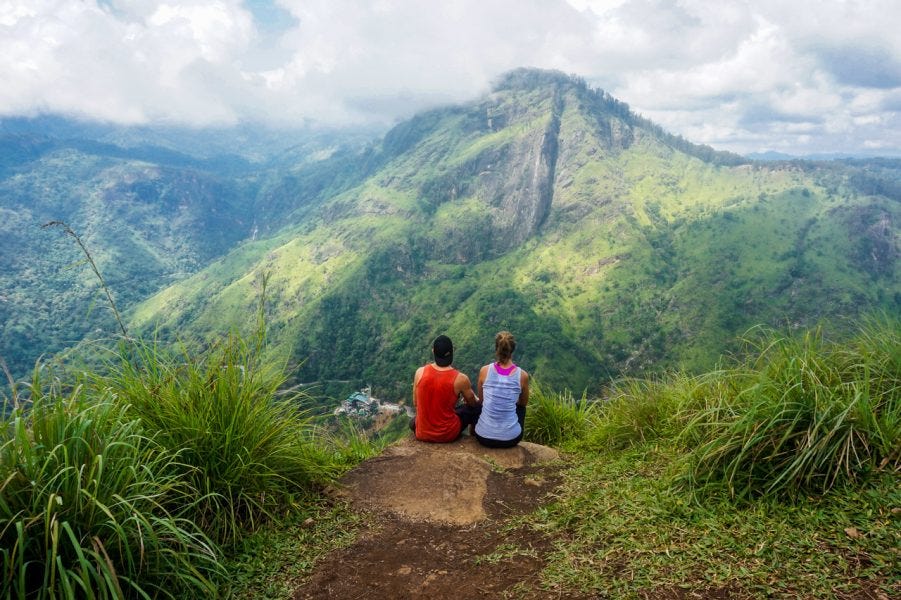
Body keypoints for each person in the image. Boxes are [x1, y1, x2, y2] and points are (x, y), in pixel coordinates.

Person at [410, 335, 481, 443]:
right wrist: (473, 398)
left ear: (433, 351)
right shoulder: (460, 378)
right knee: (476, 408)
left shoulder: (420, 372)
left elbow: (416, 403)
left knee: (412, 422)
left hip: (422, 433)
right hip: (447, 434)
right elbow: (472, 403)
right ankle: (474, 436)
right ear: (452, 351)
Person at [474, 331, 530, 448]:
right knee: (521, 408)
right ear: (512, 350)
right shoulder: (522, 375)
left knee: (480, 404)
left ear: (496, 348)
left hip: (483, 436)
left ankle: (476, 429)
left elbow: (482, 401)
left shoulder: (484, 371)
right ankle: (510, 429)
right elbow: (523, 403)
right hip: (510, 439)